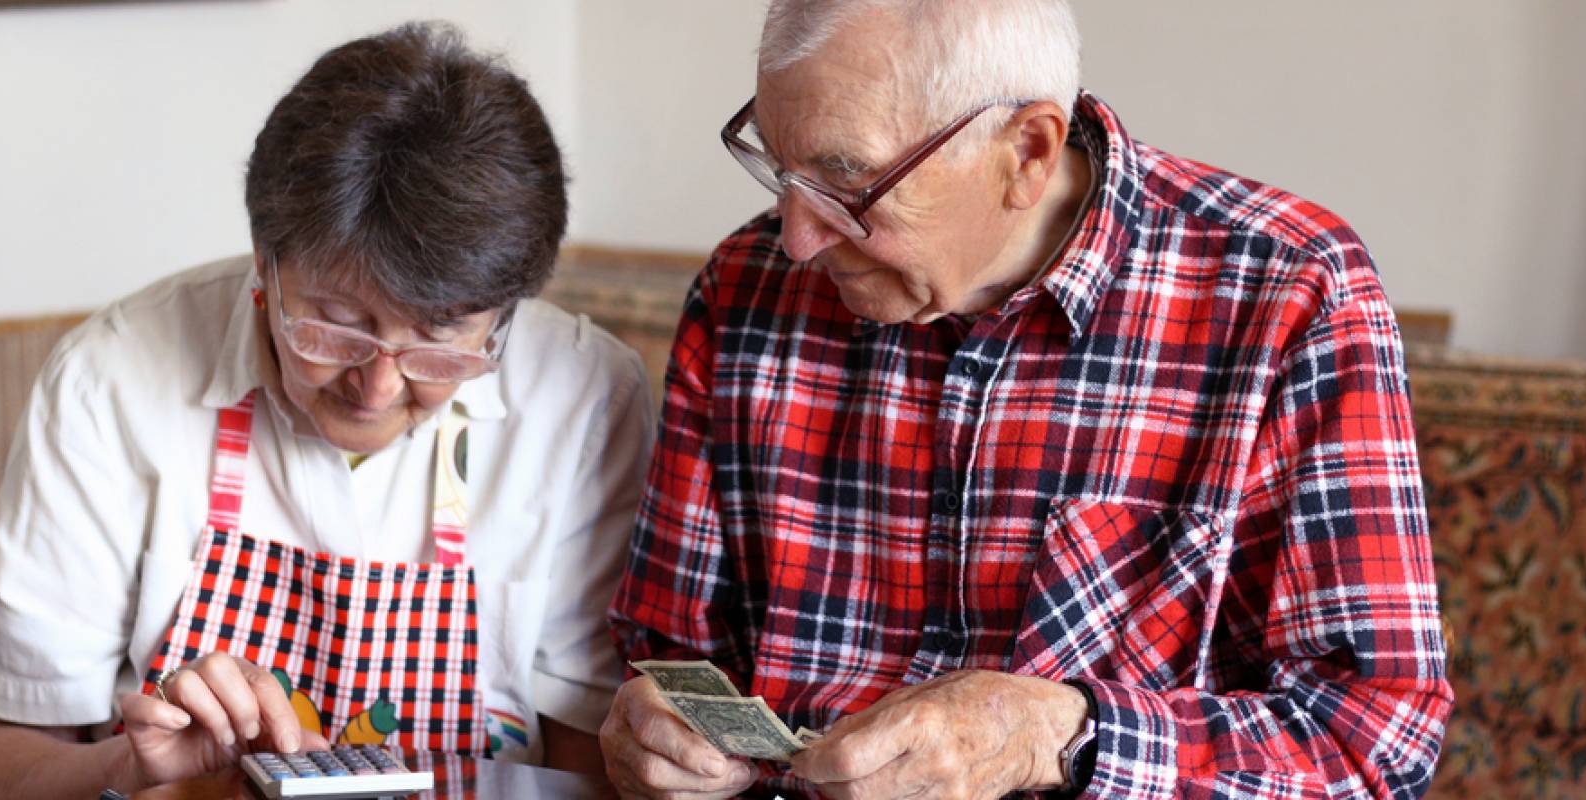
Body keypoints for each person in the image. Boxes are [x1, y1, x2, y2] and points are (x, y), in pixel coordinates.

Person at [601, 1, 1452, 797]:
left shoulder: (1289, 292)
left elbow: (1371, 744)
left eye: (845, 180)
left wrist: (1053, 737)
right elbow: (669, 653)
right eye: (778, 166)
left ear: (1029, 152)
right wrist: (647, 730)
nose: (796, 238)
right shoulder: (744, 288)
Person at [0, 21, 652, 799]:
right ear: (264, 260)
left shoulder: (582, 400)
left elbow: (591, 770)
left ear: (504, 313)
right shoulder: (110, 381)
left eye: (439, 341)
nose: (376, 387)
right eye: (334, 324)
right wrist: (132, 767)